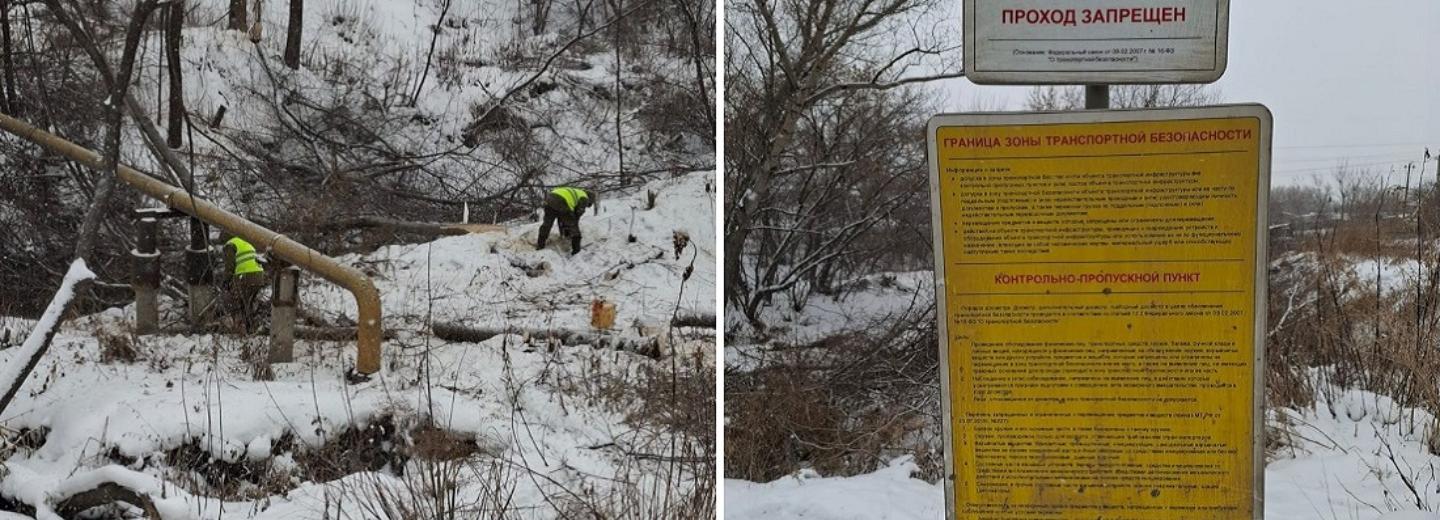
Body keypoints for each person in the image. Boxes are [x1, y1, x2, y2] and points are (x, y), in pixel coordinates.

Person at [220, 234, 266, 332]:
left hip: (245, 277)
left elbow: (230, 267)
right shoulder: (245, 242)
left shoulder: (230, 245)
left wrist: (225, 282)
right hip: (259, 276)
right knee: (249, 303)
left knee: (239, 303)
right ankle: (254, 325)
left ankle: (244, 328)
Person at [536, 186, 594, 255]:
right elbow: (577, 214)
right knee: (573, 225)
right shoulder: (584, 197)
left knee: (547, 224)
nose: (587, 205)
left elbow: (562, 216)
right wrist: (572, 225)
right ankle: (576, 249)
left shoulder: (576, 191)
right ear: (590, 199)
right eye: (589, 204)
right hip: (562, 201)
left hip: (550, 198)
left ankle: (540, 245)